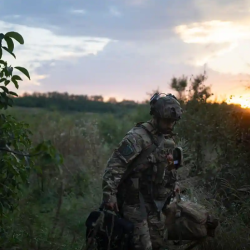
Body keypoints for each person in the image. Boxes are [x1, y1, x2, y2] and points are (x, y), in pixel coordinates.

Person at [102, 93, 183, 250]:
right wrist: (109, 196)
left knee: (158, 243)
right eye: (167, 121)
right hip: (133, 202)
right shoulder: (137, 138)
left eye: (173, 122)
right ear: (156, 116)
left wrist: (174, 183)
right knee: (142, 245)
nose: (170, 125)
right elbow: (115, 166)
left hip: (154, 203)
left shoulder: (167, 140)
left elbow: (168, 166)